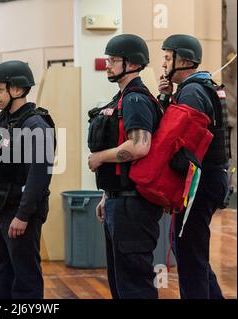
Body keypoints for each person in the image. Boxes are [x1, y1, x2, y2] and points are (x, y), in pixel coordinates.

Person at [87, 34, 163, 299]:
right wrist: (106, 195)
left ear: (131, 63)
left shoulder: (135, 100)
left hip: (134, 208)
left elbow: (140, 146)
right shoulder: (122, 98)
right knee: (121, 283)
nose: (107, 65)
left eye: (113, 60)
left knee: (134, 285)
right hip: (120, 202)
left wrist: (100, 158)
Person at [158, 34, 231, 299]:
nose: (164, 64)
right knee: (190, 252)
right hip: (213, 178)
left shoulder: (191, 92)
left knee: (189, 257)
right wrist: (167, 97)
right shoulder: (204, 86)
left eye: (168, 57)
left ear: (184, 60)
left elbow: (176, 141)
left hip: (200, 182)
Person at [0, 60, 55, 299]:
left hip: (20, 214)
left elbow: (39, 176)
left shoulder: (37, 125)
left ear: (18, 90)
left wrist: (22, 215)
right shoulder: (2, 120)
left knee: (25, 278)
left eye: (0, 89)